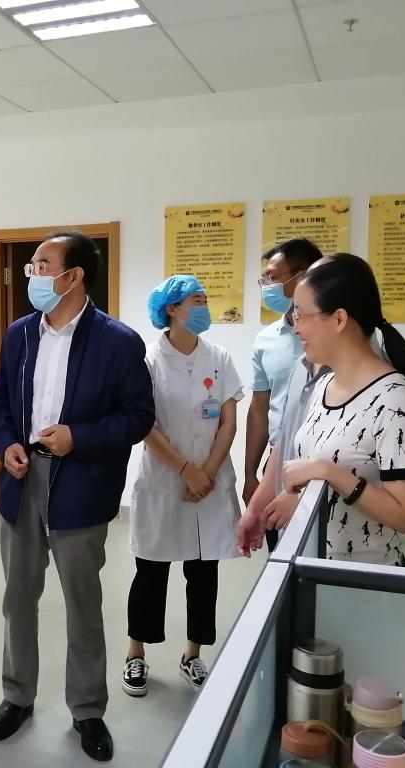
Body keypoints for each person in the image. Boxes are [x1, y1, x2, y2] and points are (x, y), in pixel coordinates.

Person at [0, 231, 154, 762]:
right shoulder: (19, 334)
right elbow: (0, 401)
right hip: (21, 480)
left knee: (83, 603)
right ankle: (17, 696)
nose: (32, 274)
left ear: (74, 276)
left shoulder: (118, 342)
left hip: (81, 483)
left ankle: (87, 709)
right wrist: (7, 443)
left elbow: (138, 417)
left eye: (42, 265)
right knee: (17, 598)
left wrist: (78, 437)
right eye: (32, 266)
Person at [122, 276, 243, 698]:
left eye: (206, 299)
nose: (205, 306)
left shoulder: (219, 357)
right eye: (197, 300)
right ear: (172, 309)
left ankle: (192, 654)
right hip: (163, 480)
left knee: (203, 573)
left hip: (210, 480)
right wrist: (186, 471)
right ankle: (136, 652)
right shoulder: (147, 360)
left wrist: (206, 471)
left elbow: (228, 421)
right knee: (150, 571)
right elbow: (144, 424)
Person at [280, 253, 405, 564]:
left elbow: (404, 515)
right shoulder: (324, 384)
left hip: (363, 576)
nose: (295, 327)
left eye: (300, 314)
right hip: (313, 564)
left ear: (339, 319)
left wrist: (328, 472)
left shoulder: (394, 399)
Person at [237, 256, 333, 554]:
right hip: (282, 462)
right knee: (281, 558)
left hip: (326, 480)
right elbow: (265, 415)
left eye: (272, 277)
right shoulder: (290, 359)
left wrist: (303, 495)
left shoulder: (369, 378)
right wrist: (254, 484)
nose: (296, 326)